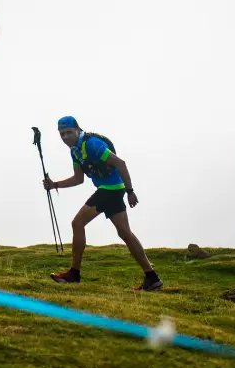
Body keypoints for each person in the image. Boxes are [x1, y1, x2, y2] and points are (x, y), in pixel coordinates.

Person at [44, 115, 162, 291]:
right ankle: (152, 278)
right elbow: (78, 179)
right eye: (62, 134)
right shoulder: (75, 151)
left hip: (110, 190)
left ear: (77, 129)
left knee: (77, 223)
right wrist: (55, 185)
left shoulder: (92, 144)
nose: (65, 137)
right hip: (112, 190)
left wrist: (130, 191)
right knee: (125, 233)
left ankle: (74, 274)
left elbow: (121, 164)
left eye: (68, 132)